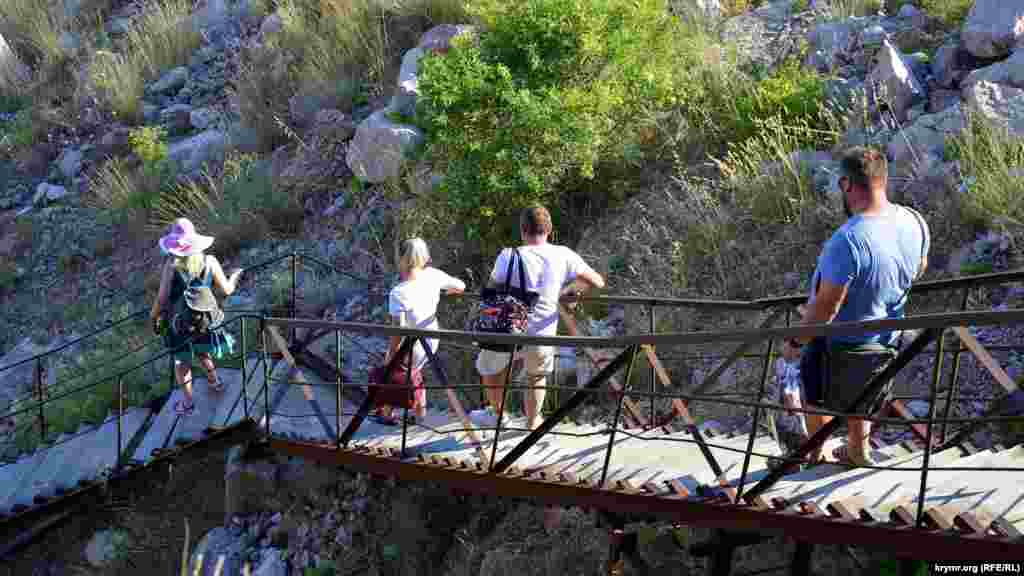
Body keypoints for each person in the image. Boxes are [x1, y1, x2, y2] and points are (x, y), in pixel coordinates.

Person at [782, 147, 929, 467]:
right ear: (883, 179)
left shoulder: (847, 239)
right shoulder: (914, 221)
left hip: (843, 348)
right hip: (886, 342)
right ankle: (858, 451)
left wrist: (795, 342)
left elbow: (827, 309)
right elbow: (919, 268)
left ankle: (817, 452)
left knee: (810, 363)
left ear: (847, 185)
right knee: (862, 392)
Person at [472, 205, 605, 431]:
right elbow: (597, 281)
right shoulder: (564, 254)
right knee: (536, 376)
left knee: (491, 370)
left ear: (522, 230)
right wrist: (570, 291)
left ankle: (497, 415)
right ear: (549, 229)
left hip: (508, 327)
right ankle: (533, 423)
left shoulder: (509, 255)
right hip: (543, 329)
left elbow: (492, 288)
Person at [149, 218, 243, 416]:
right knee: (202, 351)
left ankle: (189, 403)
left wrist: (153, 317)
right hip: (204, 318)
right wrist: (234, 276)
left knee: (182, 363)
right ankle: (214, 382)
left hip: (180, 323)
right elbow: (226, 290)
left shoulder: (171, 266)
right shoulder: (209, 261)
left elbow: (162, 298)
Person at [375, 238, 466, 424]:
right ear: (424, 257)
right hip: (431, 337)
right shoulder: (433, 275)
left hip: (411, 343)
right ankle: (420, 415)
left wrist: (391, 354)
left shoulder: (399, 292)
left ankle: (386, 413)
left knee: (391, 373)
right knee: (416, 373)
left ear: (401, 258)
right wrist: (447, 292)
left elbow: (399, 328)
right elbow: (461, 286)